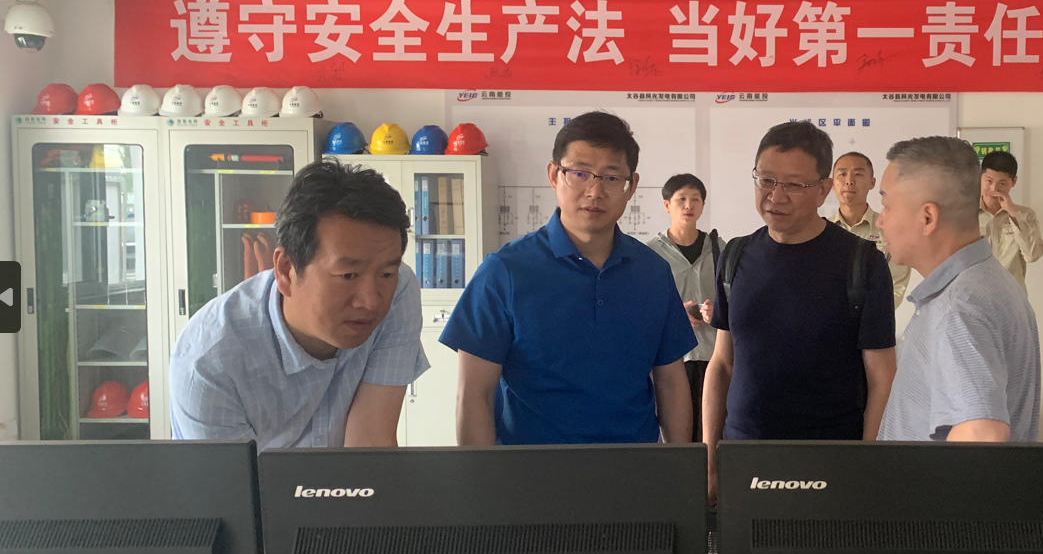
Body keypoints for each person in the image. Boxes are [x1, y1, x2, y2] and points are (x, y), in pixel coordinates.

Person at [444, 111, 696, 445]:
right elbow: (475, 393)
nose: (594, 191)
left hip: (634, 467)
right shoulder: (504, 271)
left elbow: (671, 382)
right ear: (554, 175)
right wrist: (480, 474)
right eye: (579, 173)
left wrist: (680, 467)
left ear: (631, 186)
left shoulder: (653, 272)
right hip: (530, 470)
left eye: (611, 177)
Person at [702, 121, 898, 500]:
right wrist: (710, 461)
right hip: (743, 455)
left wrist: (867, 464)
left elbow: (882, 378)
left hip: (829, 458)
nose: (775, 196)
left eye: (794, 185)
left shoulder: (862, 263)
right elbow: (723, 364)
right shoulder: (735, 256)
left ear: (824, 189)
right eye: (766, 180)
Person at [170, 161, 427, 449]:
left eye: (386, 274)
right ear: (286, 270)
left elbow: (370, 440)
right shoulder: (210, 365)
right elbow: (235, 478)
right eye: (348, 275)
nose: (371, 301)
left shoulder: (399, 289)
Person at [874, 137, 1041, 443]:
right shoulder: (989, 280)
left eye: (886, 205)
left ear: (928, 218)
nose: (880, 221)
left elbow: (983, 434)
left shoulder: (959, 309)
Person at [646, 173, 719, 442]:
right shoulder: (649, 254)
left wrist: (718, 312)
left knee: (711, 435)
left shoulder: (720, 249)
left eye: (695, 199)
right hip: (671, 361)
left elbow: (733, 301)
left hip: (713, 357)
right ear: (667, 205)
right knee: (676, 436)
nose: (689, 205)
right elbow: (641, 310)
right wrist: (675, 316)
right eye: (681, 199)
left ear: (703, 205)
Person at [829, 151, 912, 308]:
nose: (849, 181)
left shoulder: (890, 230)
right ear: (832, 183)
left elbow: (896, 287)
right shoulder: (821, 231)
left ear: (872, 183)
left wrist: (867, 314)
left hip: (873, 318)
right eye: (842, 174)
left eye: (858, 174)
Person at [978, 150, 1043, 289]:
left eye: (1002, 183)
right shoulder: (965, 213)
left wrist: (1013, 214)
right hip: (975, 293)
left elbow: (1032, 255)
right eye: (989, 181)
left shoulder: (1026, 214)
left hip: (1011, 294)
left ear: (1013, 182)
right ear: (979, 176)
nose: (994, 188)